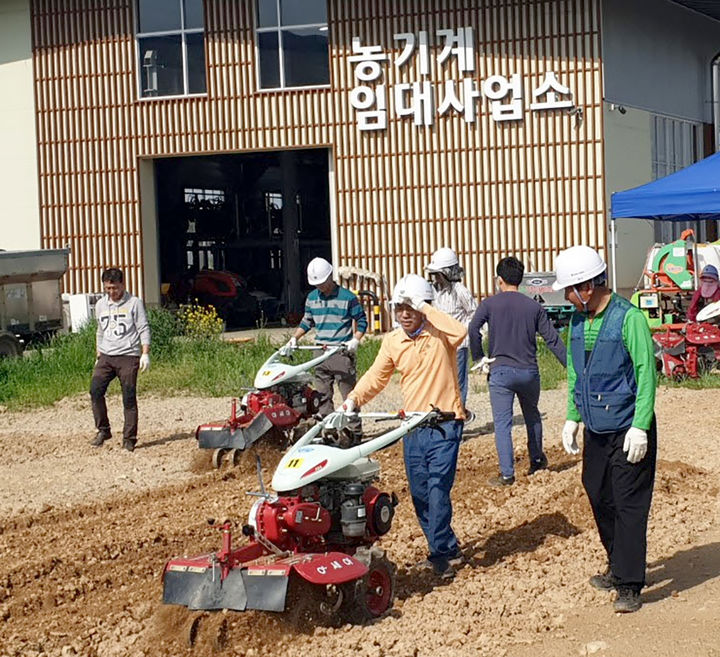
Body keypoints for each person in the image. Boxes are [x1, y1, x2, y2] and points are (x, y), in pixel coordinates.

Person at [338, 274, 466, 579]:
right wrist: (353, 399)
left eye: (411, 307)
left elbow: (461, 331)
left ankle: (441, 556)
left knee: (437, 490)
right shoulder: (393, 341)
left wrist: (425, 305)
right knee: (420, 494)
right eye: (400, 308)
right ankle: (446, 546)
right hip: (413, 427)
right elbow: (376, 376)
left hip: (445, 424)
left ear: (423, 307)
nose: (405, 314)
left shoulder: (440, 332)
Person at [554, 245, 657, 614]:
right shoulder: (578, 322)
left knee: (630, 503)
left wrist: (641, 426)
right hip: (597, 425)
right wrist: (572, 417)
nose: (566, 296)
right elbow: (574, 373)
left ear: (590, 285)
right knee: (597, 491)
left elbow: (647, 374)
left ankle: (628, 582)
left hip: (628, 426)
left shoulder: (629, 319)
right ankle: (617, 562)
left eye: (570, 288)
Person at [468, 257, 566, 487]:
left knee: (503, 424)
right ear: (520, 280)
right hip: (528, 372)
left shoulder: (489, 305)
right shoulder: (534, 306)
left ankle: (507, 474)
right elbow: (553, 340)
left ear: (499, 279)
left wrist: (479, 357)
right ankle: (537, 460)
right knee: (532, 415)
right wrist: (571, 368)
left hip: (500, 372)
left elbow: (473, 329)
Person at [281, 257, 367, 437]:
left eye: (322, 282)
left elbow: (362, 321)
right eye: (316, 284)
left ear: (330, 276)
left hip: (341, 351)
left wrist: (355, 340)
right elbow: (307, 321)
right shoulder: (312, 298)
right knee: (321, 395)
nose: (319, 287)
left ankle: (354, 430)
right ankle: (329, 428)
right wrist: (294, 339)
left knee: (349, 394)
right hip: (320, 352)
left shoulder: (348, 297)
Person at [90, 268, 151, 452]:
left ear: (122, 285)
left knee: (129, 397)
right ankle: (103, 430)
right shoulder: (101, 305)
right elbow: (100, 331)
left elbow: (143, 328)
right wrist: (98, 354)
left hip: (128, 355)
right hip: (106, 355)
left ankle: (129, 438)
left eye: (114, 288)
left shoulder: (134, 303)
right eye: (108, 288)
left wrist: (145, 353)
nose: (111, 292)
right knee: (95, 391)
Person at [426, 247, 478, 416]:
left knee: (457, 383)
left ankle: (458, 416)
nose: (435, 278)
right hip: (438, 344)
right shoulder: (432, 290)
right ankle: (442, 413)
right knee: (439, 381)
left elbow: (473, 313)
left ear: (447, 272)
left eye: (438, 274)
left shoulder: (460, 291)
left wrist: (465, 333)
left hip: (458, 345)